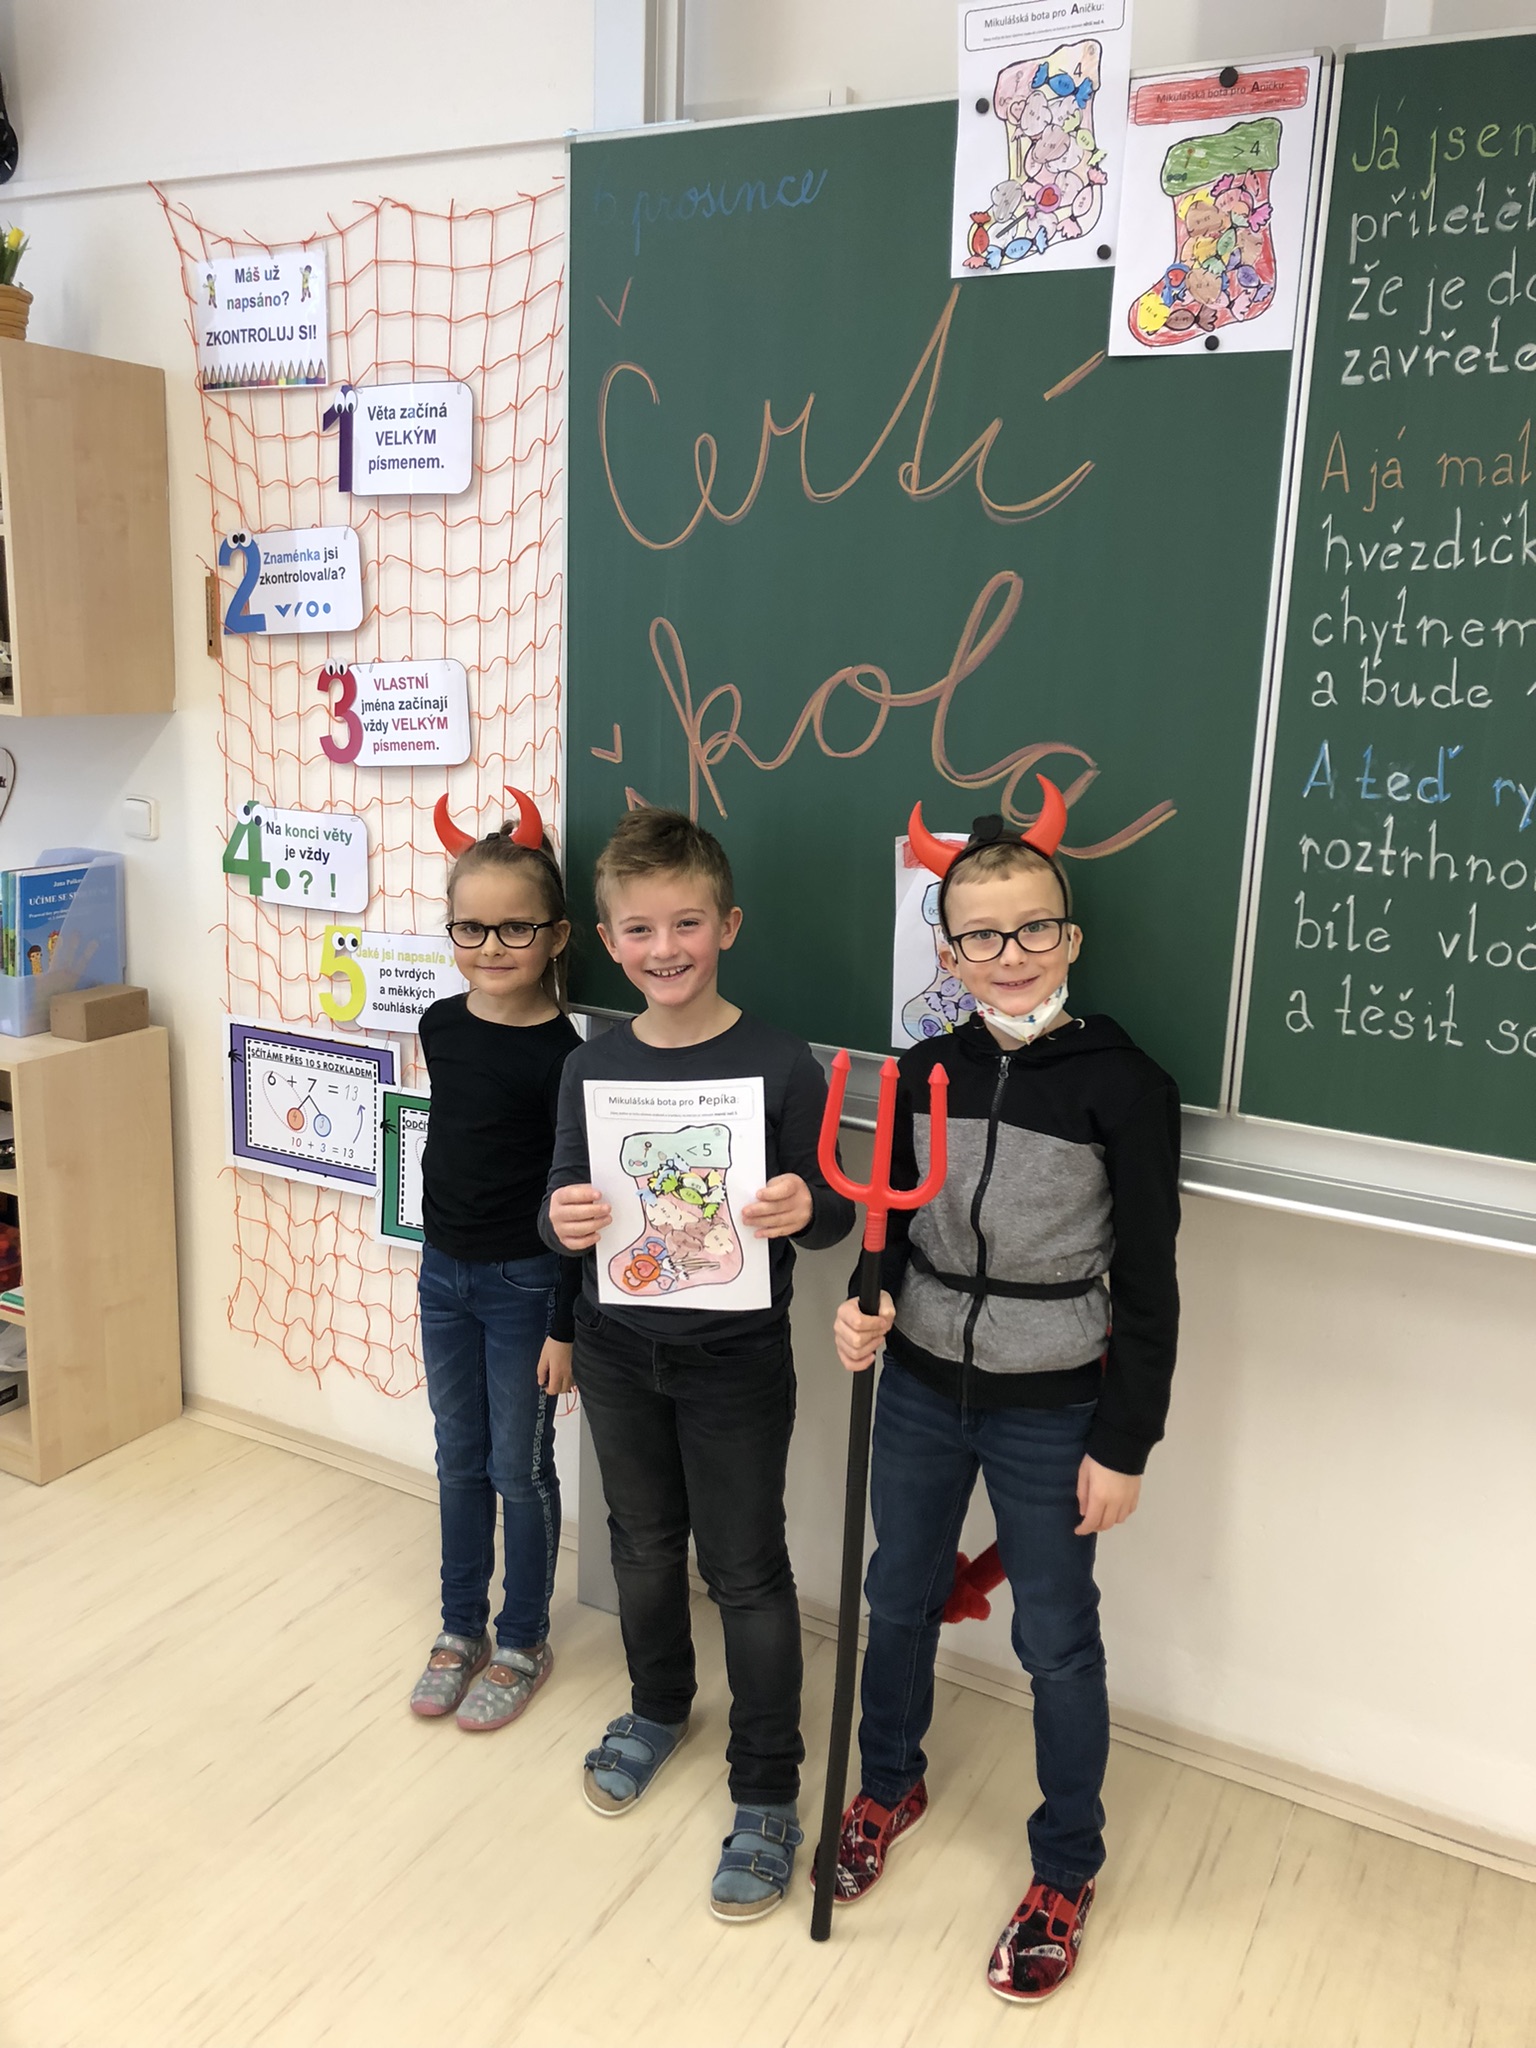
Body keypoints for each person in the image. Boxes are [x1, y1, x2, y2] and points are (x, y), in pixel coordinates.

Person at [820, 785, 1180, 2006]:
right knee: (898, 1594)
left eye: (1033, 928)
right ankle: (887, 1784)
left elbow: (1150, 1280)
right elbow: (890, 1224)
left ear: (1070, 936)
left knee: (1056, 1640)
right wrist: (864, 1297)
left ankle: (1066, 1864)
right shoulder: (924, 1069)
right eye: (982, 934)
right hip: (921, 1381)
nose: (1010, 953)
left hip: (1053, 1402)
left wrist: (1124, 1440)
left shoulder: (1124, 1082)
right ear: (949, 948)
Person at [541, 808, 855, 1923]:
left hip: (735, 1359)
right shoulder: (591, 1065)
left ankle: (767, 1789)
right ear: (608, 941)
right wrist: (561, 1217)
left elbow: (834, 1217)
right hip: (617, 1348)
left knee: (746, 1571)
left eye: (686, 922)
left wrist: (808, 1204)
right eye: (639, 928)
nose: (664, 946)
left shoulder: (780, 1063)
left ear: (728, 924)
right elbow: (561, 1197)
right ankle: (658, 1705)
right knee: (638, 1544)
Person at [408, 798, 580, 1734]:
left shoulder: (568, 1060)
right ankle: (458, 1626)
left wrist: (565, 1324)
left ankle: (521, 1639)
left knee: (520, 1468)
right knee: (458, 1458)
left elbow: (577, 1202)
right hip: (443, 1273)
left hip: (525, 1287)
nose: (491, 946)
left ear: (557, 935)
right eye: (470, 927)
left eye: (516, 927)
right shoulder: (441, 1023)